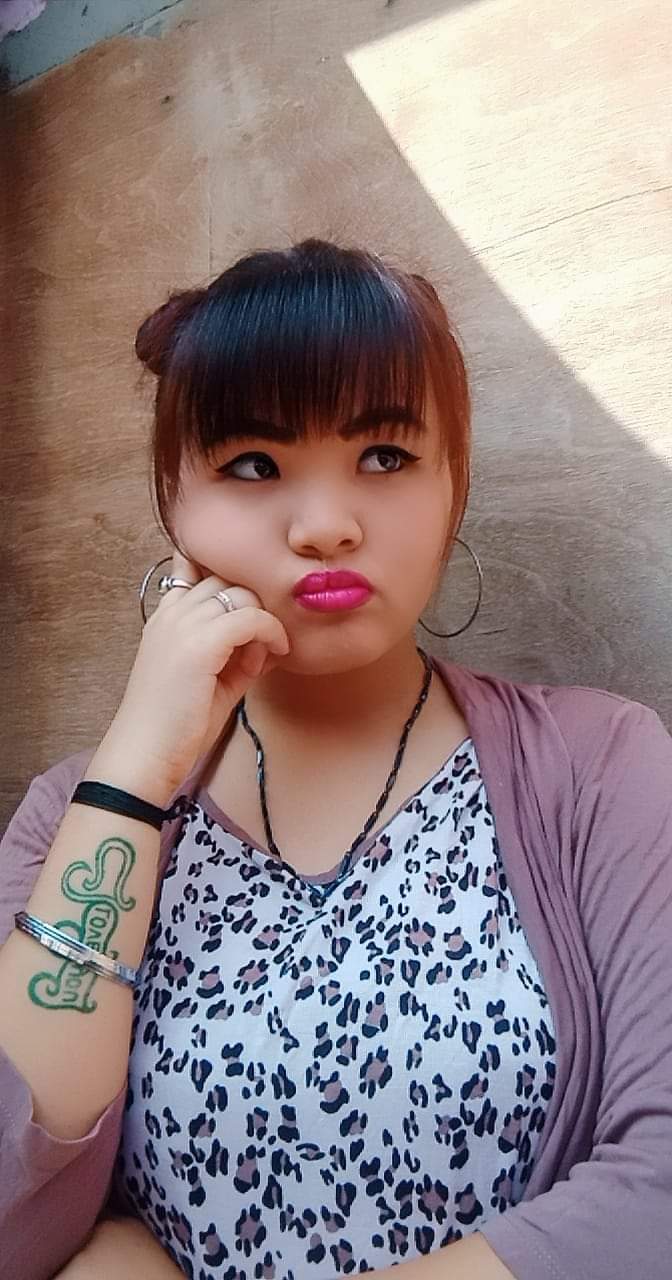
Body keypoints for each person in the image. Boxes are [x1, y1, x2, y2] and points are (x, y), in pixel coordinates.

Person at [0, 238, 671, 1280]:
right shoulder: (73, 818)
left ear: (454, 481)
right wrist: (133, 770)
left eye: (387, 456)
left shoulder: (599, 768)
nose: (325, 526)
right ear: (173, 502)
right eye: (253, 465)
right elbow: (13, 1215)